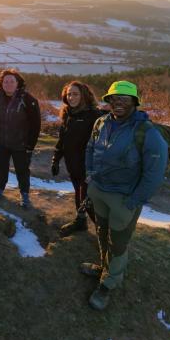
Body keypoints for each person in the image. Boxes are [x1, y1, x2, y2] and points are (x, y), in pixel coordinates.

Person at [82, 80, 168, 311]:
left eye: (124, 99)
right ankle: (104, 268)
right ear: (108, 101)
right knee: (102, 232)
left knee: (118, 243)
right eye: (114, 98)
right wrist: (90, 175)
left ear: (134, 102)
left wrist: (134, 201)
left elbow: (155, 174)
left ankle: (108, 284)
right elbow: (91, 148)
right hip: (99, 191)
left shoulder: (147, 132)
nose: (118, 103)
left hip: (124, 199)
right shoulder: (101, 122)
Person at [51, 81, 103, 235]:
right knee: (79, 195)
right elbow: (62, 141)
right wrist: (55, 159)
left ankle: (104, 233)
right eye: (69, 94)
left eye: (75, 94)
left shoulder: (95, 116)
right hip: (72, 166)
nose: (71, 97)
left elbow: (102, 145)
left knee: (89, 201)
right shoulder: (68, 115)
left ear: (84, 96)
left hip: (87, 169)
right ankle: (80, 222)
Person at [0, 69, 41, 209]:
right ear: (1, 83)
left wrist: (30, 145)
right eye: (5, 81)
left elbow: (36, 124)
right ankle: (0, 189)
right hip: (1, 142)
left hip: (20, 144)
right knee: (1, 168)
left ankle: (24, 194)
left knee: (22, 170)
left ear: (18, 83)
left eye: (12, 81)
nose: (8, 84)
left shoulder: (27, 99)